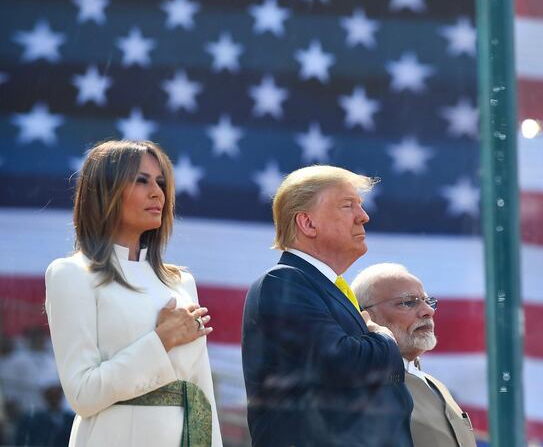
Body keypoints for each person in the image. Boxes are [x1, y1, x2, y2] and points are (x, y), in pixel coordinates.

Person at [44, 139, 222, 447]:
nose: (157, 192)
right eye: (141, 180)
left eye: (161, 182)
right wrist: (161, 339)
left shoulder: (181, 282)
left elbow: (200, 391)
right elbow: (83, 395)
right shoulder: (70, 274)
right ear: (104, 190)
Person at [241, 165, 413, 447]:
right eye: (348, 206)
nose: (364, 216)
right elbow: (343, 364)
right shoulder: (282, 282)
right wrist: (385, 338)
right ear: (307, 224)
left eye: (360, 206)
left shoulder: (321, 288)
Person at [351, 263, 477, 447]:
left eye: (428, 301)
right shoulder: (361, 388)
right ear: (368, 316)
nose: (428, 311)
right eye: (408, 302)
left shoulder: (436, 385)